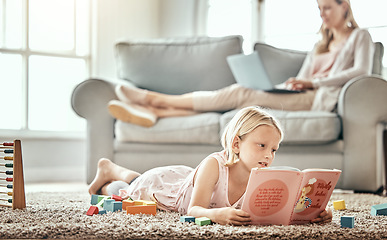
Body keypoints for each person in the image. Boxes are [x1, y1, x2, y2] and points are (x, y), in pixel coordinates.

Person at [107, 0, 375, 128]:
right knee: (240, 100)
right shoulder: (320, 45)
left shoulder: (359, 36)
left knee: (239, 92)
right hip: (300, 93)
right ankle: (158, 112)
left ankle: (152, 99)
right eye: (319, 9)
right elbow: (303, 77)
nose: (322, 14)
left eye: (327, 7)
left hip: (319, 99)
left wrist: (312, 82)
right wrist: (288, 85)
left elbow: (362, 72)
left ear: (344, 6)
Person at [89, 106, 332, 225]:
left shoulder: (264, 176)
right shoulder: (214, 165)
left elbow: (283, 211)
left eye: (274, 149)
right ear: (236, 144)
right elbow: (194, 210)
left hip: (187, 179)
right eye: (261, 146)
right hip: (164, 188)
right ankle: (109, 171)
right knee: (129, 190)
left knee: (136, 181)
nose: (269, 155)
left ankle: (111, 169)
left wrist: (314, 212)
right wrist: (217, 215)